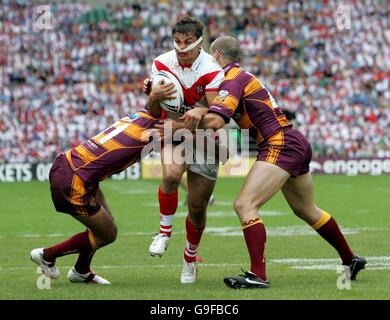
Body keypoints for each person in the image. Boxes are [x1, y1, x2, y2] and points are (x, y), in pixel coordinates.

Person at [181, 35, 367, 289]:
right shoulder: (240, 77)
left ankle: (258, 275)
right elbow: (213, 111)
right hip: (291, 139)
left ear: (216, 56)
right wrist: (199, 110)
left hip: (278, 142)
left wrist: (180, 122)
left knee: (245, 204)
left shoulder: (231, 78)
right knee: (306, 210)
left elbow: (216, 121)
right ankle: (350, 258)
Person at [30, 110, 159, 284]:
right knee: (108, 233)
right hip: (76, 178)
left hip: (73, 165)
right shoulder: (158, 129)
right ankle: (48, 255)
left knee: (106, 223)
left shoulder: (143, 116)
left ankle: (81, 271)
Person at [144, 15, 224, 284]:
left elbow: (216, 115)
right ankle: (163, 233)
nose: (181, 47)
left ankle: (190, 260)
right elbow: (153, 112)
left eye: (188, 42)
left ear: (199, 43)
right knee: (170, 176)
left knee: (197, 207)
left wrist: (201, 109)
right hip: (173, 132)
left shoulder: (212, 69)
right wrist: (154, 97)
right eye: (177, 41)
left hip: (204, 137)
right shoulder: (161, 63)